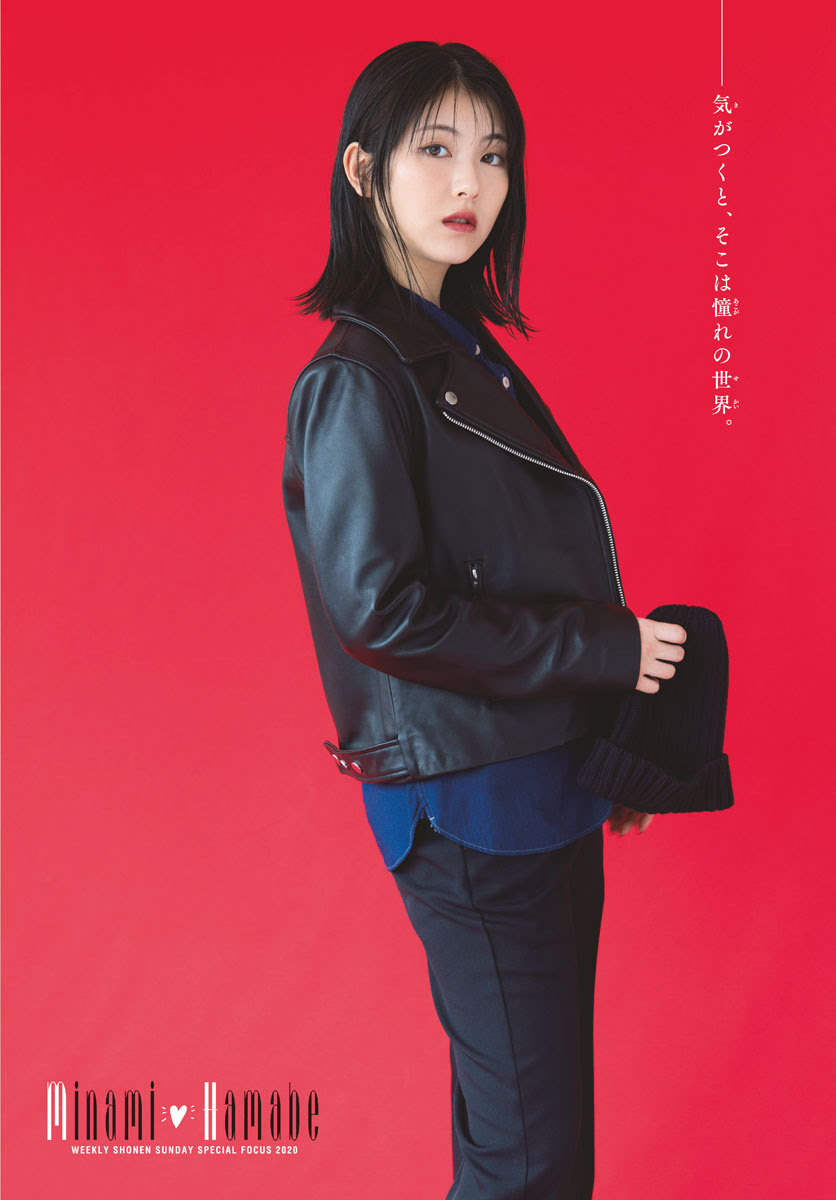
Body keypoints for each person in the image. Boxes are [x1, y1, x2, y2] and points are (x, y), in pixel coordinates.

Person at [282, 40, 687, 1200]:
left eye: (494, 155)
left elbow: (514, 566)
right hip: (469, 811)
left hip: (535, 789)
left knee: (533, 1150)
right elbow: (384, 613)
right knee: (529, 1163)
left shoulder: (459, 352)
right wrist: (606, 650)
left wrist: (601, 745)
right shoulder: (359, 376)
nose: (471, 183)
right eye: (436, 148)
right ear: (363, 170)